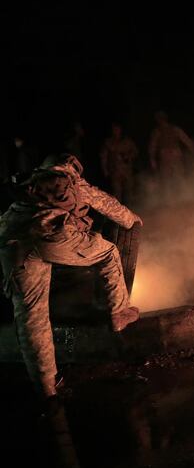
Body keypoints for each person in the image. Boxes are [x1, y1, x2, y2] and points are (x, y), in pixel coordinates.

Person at [0, 154, 141, 398]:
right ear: (72, 167)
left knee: (31, 315)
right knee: (109, 252)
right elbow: (111, 207)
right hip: (51, 235)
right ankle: (120, 312)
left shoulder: (29, 184)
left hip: (13, 243)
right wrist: (133, 220)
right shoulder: (72, 182)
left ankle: (46, 388)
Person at [148, 111, 193, 193]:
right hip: (171, 155)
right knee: (174, 176)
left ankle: (179, 194)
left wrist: (152, 160)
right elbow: (186, 139)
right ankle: (178, 194)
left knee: (172, 177)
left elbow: (152, 147)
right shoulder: (164, 130)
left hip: (169, 155)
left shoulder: (160, 131)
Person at [100, 122, 139, 202]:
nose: (116, 131)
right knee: (117, 193)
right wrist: (105, 170)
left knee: (129, 192)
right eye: (114, 129)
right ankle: (118, 212)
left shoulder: (127, 141)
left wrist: (128, 156)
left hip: (127, 170)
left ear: (121, 130)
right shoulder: (109, 142)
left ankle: (131, 209)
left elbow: (135, 152)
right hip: (115, 171)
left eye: (117, 129)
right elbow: (104, 156)